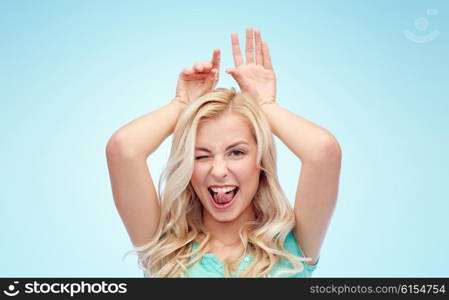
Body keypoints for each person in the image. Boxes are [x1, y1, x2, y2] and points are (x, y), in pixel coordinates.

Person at [106, 28, 342, 278]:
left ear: (260, 160)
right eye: (201, 156)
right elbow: (123, 149)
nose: (218, 171)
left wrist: (265, 106)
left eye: (237, 153)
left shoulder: (292, 247)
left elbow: (323, 152)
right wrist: (181, 105)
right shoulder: (164, 249)